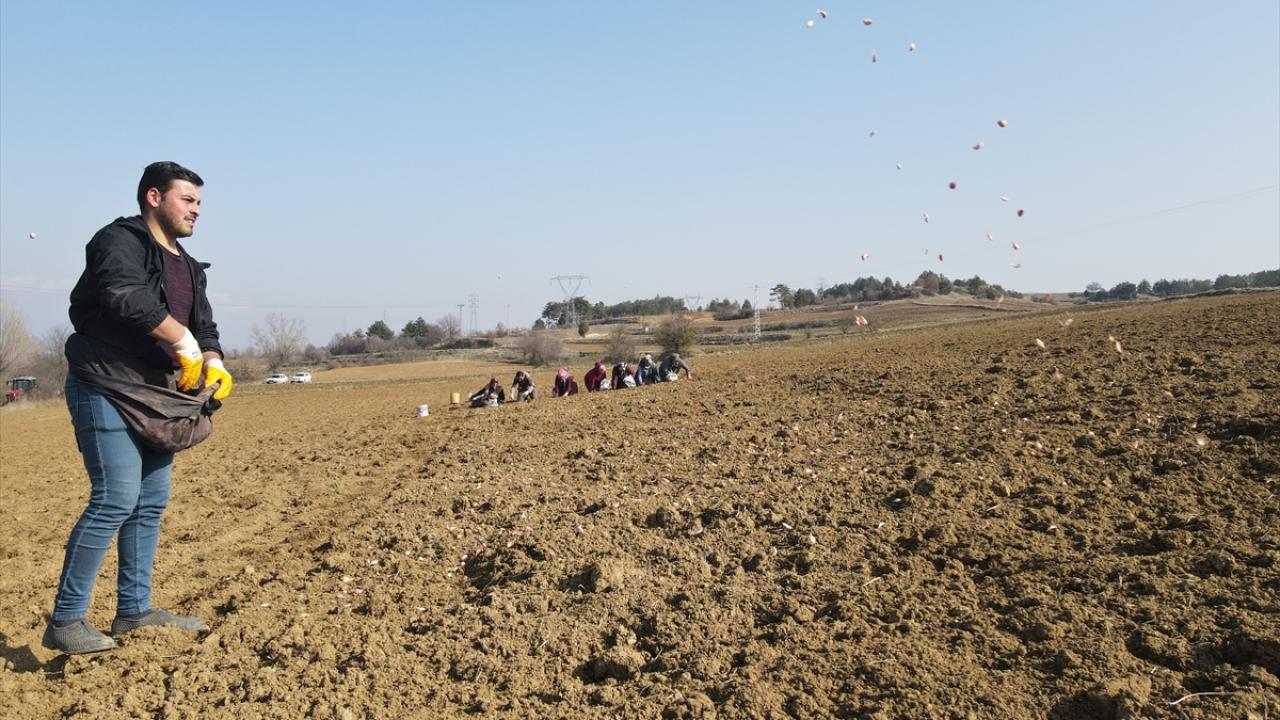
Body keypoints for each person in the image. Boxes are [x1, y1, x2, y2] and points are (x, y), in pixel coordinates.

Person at [45, 162, 233, 655]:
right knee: (114, 498)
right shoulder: (118, 241)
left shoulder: (189, 266)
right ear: (154, 197)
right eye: (187, 199)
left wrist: (212, 360)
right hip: (105, 383)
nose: (196, 210)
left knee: (149, 502)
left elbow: (204, 326)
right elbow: (123, 294)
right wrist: (182, 342)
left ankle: (133, 610)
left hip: (158, 395)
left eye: (199, 203)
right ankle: (66, 620)